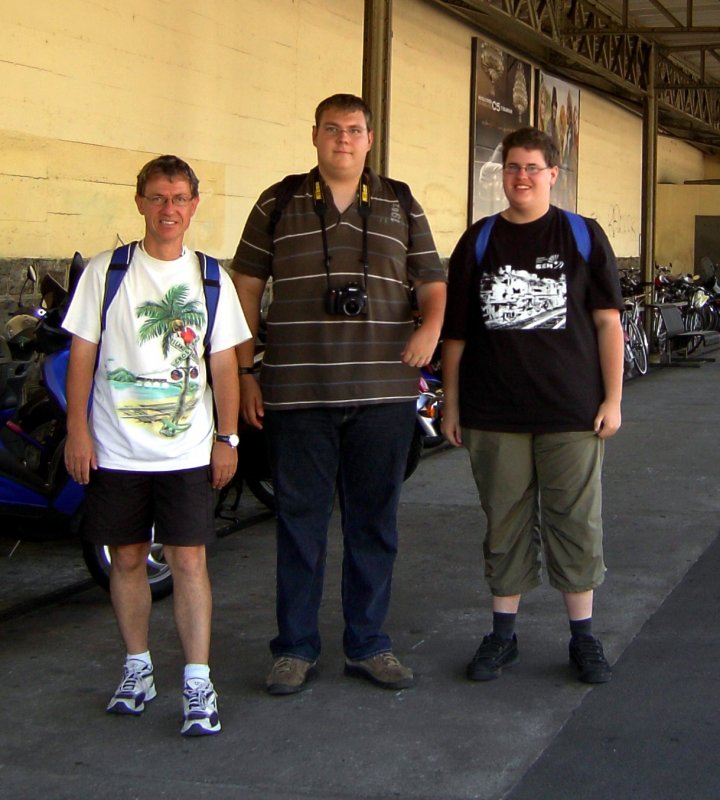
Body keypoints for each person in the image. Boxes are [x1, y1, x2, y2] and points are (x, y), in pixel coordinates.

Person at [231, 93, 447, 695]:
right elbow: (245, 287)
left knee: (374, 524)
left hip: (383, 392)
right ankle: (294, 648)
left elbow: (433, 281)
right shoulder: (277, 202)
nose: (343, 139)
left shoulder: (400, 202)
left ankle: (369, 644)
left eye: (354, 130)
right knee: (299, 524)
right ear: (315, 136)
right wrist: (246, 370)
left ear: (369, 139)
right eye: (332, 129)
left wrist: (430, 330)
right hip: (298, 393)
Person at [63, 155, 251, 735]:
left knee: (188, 560)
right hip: (116, 449)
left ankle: (198, 681)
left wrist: (227, 437)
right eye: (158, 197)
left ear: (194, 206)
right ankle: (137, 668)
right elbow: (82, 357)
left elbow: (224, 365)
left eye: (179, 198)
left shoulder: (210, 278)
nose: (169, 209)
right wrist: (77, 430)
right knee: (126, 559)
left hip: (188, 453)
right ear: (140, 202)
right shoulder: (107, 272)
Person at [441, 127, 624, 685]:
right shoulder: (478, 241)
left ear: (552, 174)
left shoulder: (581, 235)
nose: (521, 177)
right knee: (505, 525)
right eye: (512, 167)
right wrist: (452, 405)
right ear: (503, 174)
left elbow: (608, 323)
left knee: (576, 523)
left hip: (572, 412)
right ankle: (503, 636)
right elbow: (456, 335)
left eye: (532, 168)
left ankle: (583, 637)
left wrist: (613, 398)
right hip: (494, 414)